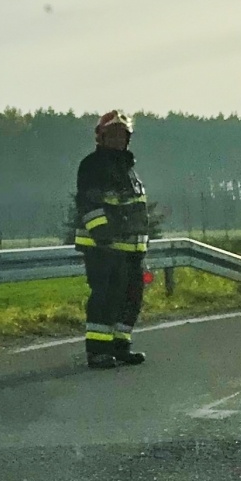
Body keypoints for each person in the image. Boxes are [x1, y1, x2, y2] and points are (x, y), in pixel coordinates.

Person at [74, 110, 149, 369]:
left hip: (131, 249)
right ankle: (98, 351)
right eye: (113, 135)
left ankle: (120, 346)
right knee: (106, 298)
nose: (118, 140)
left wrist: (141, 244)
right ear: (101, 137)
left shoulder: (128, 169)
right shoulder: (93, 165)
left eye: (122, 135)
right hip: (103, 248)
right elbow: (87, 202)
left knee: (131, 298)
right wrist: (101, 232)